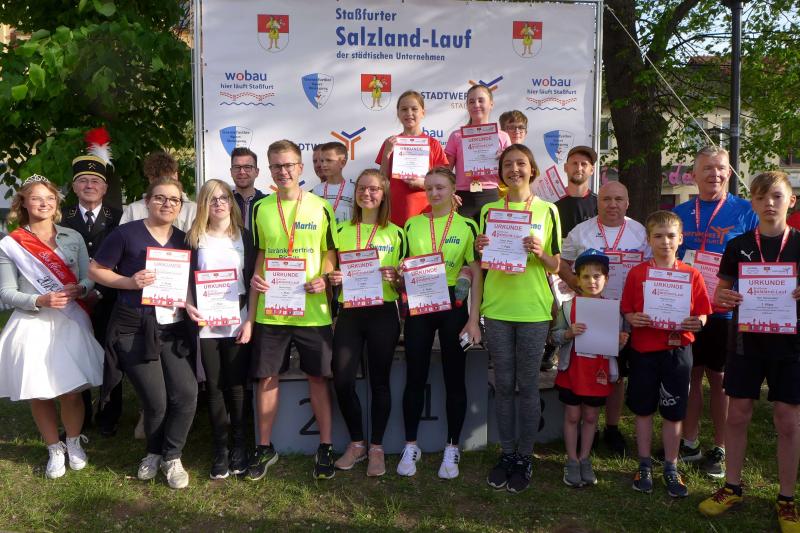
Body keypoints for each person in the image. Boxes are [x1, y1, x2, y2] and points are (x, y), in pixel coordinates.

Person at [698, 171, 800, 531]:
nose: (768, 203)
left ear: (791, 201)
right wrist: (724, 297)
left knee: (788, 420)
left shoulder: (799, 243)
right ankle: (732, 487)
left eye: (776, 196)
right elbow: (719, 292)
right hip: (745, 342)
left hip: (790, 345)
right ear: (752, 203)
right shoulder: (738, 244)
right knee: (738, 415)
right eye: (760, 197)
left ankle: (786, 498)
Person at [90, 177, 196, 490]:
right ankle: (154, 452)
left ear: (180, 206)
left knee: (186, 394)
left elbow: (187, 282)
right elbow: (95, 270)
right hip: (134, 325)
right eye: (160, 198)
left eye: (174, 200)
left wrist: (191, 304)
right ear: (147, 201)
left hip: (172, 326)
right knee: (156, 400)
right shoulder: (126, 234)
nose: (167, 204)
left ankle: (172, 456)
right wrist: (129, 282)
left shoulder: (184, 239)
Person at [246, 140, 339, 481]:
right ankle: (264, 447)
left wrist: (324, 278)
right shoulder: (260, 208)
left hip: (313, 310)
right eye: (276, 166)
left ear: (300, 167)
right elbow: (261, 253)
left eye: (288, 165)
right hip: (272, 309)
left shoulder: (321, 206)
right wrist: (256, 277)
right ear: (269, 170)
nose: (283, 171)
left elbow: (330, 252)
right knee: (267, 377)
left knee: (318, 377)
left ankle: (325, 446)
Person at [0, 175, 103, 479]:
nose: (43, 203)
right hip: (33, 322)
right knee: (39, 391)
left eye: (49, 198)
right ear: (23, 203)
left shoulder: (73, 237)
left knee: (71, 391)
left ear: (56, 203)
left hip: (71, 319)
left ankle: (73, 441)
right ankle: (53, 448)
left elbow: (88, 276)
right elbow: (6, 292)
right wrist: (39, 299)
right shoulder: (11, 243)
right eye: (36, 198)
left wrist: (81, 289)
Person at [477, 145, 561, 494]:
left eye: (521, 164)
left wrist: (540, 251)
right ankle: (507, 453)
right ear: (500, 172)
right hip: (497, 308)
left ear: (532, 170)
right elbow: (481, 262)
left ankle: (525, 456)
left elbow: (556, 264)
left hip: (533, 310)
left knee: (527, 386)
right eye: (508, 164)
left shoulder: (548, 210)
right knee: (503, 385)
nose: (514, 169)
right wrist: (481, 246)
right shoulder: (488, 210)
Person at [672, 146, 757, 477]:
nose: (715, 174)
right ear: (693, 175)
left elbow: (758, 258)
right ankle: (690, 442)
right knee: (691, 375)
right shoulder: (680, 212)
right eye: (707, 168)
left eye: (721, 168)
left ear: (730, 173)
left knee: (720, 380)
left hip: (725, 310)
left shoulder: (745, 210)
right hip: (689, 309)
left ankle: (719, 447)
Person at [399, 166, 482, 479]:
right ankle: (411, 445)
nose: (434, 193)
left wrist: (473, 319)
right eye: (429, 188)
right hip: (420, 304)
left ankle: (452, 447)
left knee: (454, 378)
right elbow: (403, 268)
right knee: (415, 376)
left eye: (440, 188)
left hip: (453, 305)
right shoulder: (412, 225)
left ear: (453, 190)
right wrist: (400, 274)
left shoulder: (468, 225)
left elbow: (476, 273)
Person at [621, 210, 712, 498]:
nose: (665, 242)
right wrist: (633, 317)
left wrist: (698, 322)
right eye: (658, 236)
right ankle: (644, 463)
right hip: (644, 351)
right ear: (649, 240)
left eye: (671, 236)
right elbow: (627, 308)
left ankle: (671, 465)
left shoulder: (691, 274)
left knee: (674, 411)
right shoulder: (637, 273)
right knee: (643, 409)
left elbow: (703, 312)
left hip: (677, 351)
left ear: (681, 239)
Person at [557, 181, 651, 455]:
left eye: (618, 199)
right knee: (588, 366)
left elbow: (650, 267)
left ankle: (611, 427)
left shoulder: (639, 232)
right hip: (591, 311)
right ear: (597, 202)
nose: (612, 204)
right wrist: (574, 282)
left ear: (627, 203)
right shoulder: (581, 231)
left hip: (626, 312)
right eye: (607, 199)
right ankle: (589, 425)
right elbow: (561, 261)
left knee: (616, 373)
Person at [328, 169, 405, 477]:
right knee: (342, 379)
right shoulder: (340, 229)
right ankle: (357, 443)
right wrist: (333, 277)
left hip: (383, 312)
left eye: (374, 189)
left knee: (380, 382)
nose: (367, 194)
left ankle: (376, 447)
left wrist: (396, 278)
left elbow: (405, 282)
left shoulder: (397, 233)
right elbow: (329, 269)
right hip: (350, 312)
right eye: (362, 188)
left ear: (384, 194)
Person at [185, 179, 256, 479]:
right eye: (212, 198)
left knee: (237, 385)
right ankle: (220, 448)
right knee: (214, 386)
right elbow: (186, 279)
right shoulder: (194, 237)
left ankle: (239, 445)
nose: (218, 203)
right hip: (207, 320)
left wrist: (250, 320)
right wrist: (189, 304)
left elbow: (253, 281)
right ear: (203, 203)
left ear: (231, 202)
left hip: (238, 315)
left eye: (224, 197)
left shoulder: (245, 236)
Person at [551, 249, 628, 487]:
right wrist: (568, 333)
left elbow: (617, 343)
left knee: (592, 416)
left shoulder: (614, 310)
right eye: (585, 276)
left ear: (606, 279)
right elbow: (554, 337)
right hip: (573, 371)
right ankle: (572, 460)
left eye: (597, 276)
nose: (591, 281)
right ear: (577, 279)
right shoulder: (567, 307)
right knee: (573, 415)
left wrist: (621, 341)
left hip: (598, 373)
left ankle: (585, 458)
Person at [61, 155, 123, 437]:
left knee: (111, 356)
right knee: (75, 355)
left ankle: (109, 414)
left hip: (109, 300)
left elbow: (125, 259)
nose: (89, 186)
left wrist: (99, 290)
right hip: (71, 300)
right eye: (83, 181)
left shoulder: (119, 217)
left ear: (104, 187)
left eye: (95, 181)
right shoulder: (61, 218)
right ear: (74, 187)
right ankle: (81, 414)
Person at [376, 90, 449, 227]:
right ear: (398, 113)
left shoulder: (433, 144)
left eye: (414, 109)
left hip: (425, 211)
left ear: (423, 113)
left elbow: (443, 182)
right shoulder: (390, 143)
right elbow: (381, 181)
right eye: (404, 109)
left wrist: (422, 183)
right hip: (395, 210)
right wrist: (386, 154)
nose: (409, 113)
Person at [445, 84, 512, 220]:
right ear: (467, 106)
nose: (476, 105)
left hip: (491, 195)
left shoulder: (503, 136)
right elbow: (446, 170)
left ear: (491, 104)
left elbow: (510, 174)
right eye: (471, 101)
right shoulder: (456, 136)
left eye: (481, 100)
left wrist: (505, 161)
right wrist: (449, 193)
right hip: (462, 198)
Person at [120, 151, 197, 232]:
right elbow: (121, 238)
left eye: (168, 178)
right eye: (160, 180)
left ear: (176, 175)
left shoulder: (193, 210)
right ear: (150, 179)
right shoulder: (134, 210)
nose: (166, 183)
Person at [555, 146, 598, 238]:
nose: (579, 168)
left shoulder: (600, 204)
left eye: (584, 164)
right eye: (575, 163)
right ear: (566, 168)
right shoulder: (552, 203)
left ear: (592, 170)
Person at [312, 142, 356, 224]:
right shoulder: (317, 190)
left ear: (342, 163)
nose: (324, 165)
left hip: (346, 232)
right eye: (322, 161)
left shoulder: (352, 189)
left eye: (329, 160)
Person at [230, 147, 267, 231]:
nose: (242, 172)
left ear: (257, 172)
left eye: (247, 167)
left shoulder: (267, 202)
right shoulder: (223, 203)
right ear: (231, 172)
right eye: (237, 167)